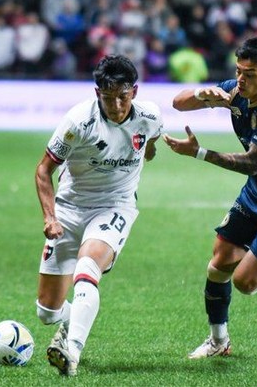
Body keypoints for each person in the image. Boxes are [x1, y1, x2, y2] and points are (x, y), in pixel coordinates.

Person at [163, 37, 257, 359]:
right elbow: (178, 103)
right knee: (218, 262)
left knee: (246, 283)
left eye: (249, 74)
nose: (241, 79)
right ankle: (218, 341)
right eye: (238, 71)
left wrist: (200, 153)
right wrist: (203, 95)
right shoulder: (236, 91)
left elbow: (251, 163)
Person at [35, 55, 163, 376]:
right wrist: (50, 217)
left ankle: (72, 352)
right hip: (69, 208)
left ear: (134, 92)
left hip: (115, 205)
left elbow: (151, 139)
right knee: (47, 311)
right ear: (97, 93)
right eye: (108, 98)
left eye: (123, 96)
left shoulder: (150, 116)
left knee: (87, 266)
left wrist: (148, 151)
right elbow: (43, 171)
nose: (116, 105)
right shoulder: (78, 122)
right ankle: (73, 319)